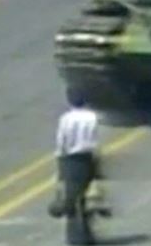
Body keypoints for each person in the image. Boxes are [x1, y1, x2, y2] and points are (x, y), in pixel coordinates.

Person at [48, 96, 110, 245]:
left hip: (70, 159)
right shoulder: (92, 117)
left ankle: (75, 237)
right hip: (87, 157)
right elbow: (95, 138)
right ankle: (88, 234)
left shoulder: (66, 119)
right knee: (87, 196)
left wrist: (59, 158)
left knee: (71, 198)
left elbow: (62, 139)